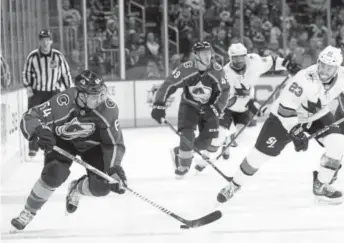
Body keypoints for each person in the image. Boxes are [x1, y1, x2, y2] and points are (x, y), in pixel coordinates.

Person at [217, 45, 344, 205]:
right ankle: (234, 184)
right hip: (284, 118)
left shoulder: (342, 76)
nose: (324, 71)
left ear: (337, 68)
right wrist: (296, 132)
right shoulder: (304, 78)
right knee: (259, 156)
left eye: (329, 67)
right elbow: (285, 109)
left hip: (317, 115)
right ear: (318, 62)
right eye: (322, 65)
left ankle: (321, 185)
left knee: (338, 144)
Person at [11, 70, 126, 231]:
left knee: (102, 187)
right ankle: (28, 211)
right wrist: (39, 131)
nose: (100, 100)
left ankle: (76, 188)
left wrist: (114, 168)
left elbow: (113, 143)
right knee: (54, 173)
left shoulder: (108, 109)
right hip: (63, 143)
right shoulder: (62, 102)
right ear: (82, 95)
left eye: (102, 93)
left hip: (92, 146)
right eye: (95, 96)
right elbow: (29, 117)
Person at [150, 41, 230, 177]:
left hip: (209, 108)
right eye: (204, 53)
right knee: (187, 133)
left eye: (209, 52)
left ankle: (179, 151)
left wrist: (216, 108)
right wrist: (159, 104)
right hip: (189, 105)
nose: (207, 56)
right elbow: (168, 85)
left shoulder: (217, 70)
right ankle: (184, 165)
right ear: (196, 55)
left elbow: (225, 90)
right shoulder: (186, 69)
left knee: (207, 141)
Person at [217, 43, 301, 162]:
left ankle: (227, 141)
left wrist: (287, 65)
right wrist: (248, 104)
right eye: (235, 58)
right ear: (230, 58)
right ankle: (212, 149)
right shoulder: (224, 74)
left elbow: (273, 61)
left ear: (246, 56)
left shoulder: (254, 62)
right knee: (219, 135)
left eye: (241, 57)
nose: (239, 61)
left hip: (244, 107)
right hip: (229, 107)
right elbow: (225, 100)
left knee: (241, 137)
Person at [23, 29, 73, 157]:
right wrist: (28, 86)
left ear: (51, 41)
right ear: (39, 41)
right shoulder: (33, 56)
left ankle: (53, 146)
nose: (45, 43)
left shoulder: (58, 56)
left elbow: (65, 74)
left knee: (55, 119)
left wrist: (69, 90)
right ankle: (33, 147)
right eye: (42, 40)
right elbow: (26, 73)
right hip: (37, 93)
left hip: (53, 92)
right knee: (34, 118)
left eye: (47, 40)